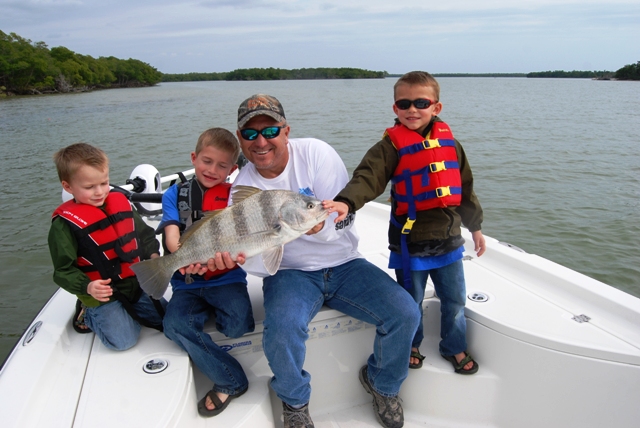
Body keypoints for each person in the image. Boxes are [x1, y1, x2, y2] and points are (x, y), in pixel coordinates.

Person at [206, 94, 420, 428]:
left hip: (345, 262)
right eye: (250, 134)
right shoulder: (243, 188)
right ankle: (294, 401)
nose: (261, 142)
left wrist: (319, 228)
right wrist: (234, 259)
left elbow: (344, 217)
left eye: (270, 131)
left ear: (286, 131)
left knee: (406, 312)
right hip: (290, 274)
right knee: (281, 330)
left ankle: (382, 383)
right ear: (240, 141)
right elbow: (258, 262)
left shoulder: (316, 153)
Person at [323, 71, 486, 375]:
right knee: (410, 303)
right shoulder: (390, 147)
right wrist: (346, 201)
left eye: (421, 102)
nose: (412, 109)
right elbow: (367, 178)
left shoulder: (452, 144)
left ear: (436, 107)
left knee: (454, 300)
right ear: (395, 108)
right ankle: (412, 343)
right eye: (404, 103)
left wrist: (475, 226)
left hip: (449, 240)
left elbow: (464, 187)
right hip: (409, 242)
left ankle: (454, 345)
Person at [158, 128, 255, 417]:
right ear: (194, 158)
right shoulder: (174, 194)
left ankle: (211, 314)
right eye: (207, 161)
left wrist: (225, 259)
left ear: (233, 169)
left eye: (222, 165)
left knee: (239, 325)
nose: (213, 170)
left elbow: (240, 243)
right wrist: (186, 257)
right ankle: (230, 379)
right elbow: (173, 240)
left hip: (227, 278)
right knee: (173, 326)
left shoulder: (234, 197)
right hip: (186, 280)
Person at [49, 143, 166, 351]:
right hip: (101, 294)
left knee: (167, 318)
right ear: (68, 187)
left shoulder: (121, 203)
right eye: (89, 187)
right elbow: (62, 271)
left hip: (134, 283)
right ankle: (87, 313)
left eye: (104, 183)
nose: (99, 192)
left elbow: (145, 234)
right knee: (124, 341)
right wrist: (87, 287)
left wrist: (154, 254)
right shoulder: (63, 226)